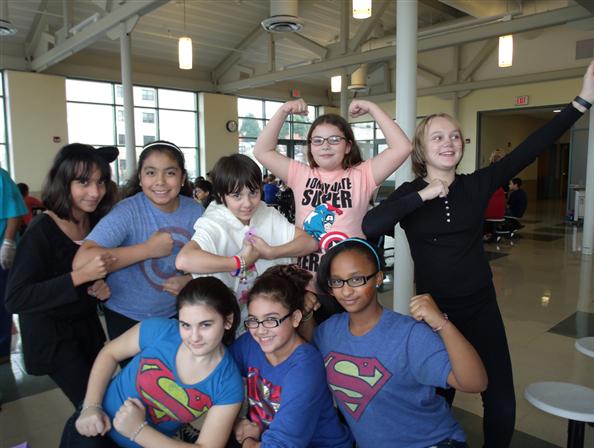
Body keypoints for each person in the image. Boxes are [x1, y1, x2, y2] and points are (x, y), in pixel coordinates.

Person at [362, 60, 594, 448]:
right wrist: (424, 194)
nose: (449, 142)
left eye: (455, 136)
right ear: (421, 148)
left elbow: (529, 149)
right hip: (432, 311)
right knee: (437, 396)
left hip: (480, 306)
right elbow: (371, 224)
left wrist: (582, 102)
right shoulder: (408, 195)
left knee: (500, 398)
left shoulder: (477, 185)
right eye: (438, 137)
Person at [314, 238, 487, 448]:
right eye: (337, 281)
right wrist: (304, 312)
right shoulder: (327, 332)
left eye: (357, 279)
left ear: (378, 278)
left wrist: (442, 323)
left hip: (431, 444)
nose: (346, 291)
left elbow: (475, 383)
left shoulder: (409, 335)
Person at [60, 277, 244, 448]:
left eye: (205, 325)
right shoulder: (160, 330)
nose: (194, 337)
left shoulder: (229, 383)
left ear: (227, 321)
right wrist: (91, 406)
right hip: (96, 428)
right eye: (186, 325)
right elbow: (110, 353)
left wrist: (138, 431)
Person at [5, 144, 117, 407]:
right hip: (53, 340)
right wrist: (80, 276)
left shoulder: (95, 221)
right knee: (93, 407)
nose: (95, 192)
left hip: (86, 331)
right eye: (83, 182)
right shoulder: (42, 231)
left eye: (100, 182)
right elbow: (16, 298)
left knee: (100, 403)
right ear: (63, 182)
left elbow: (99, 270)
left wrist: (99, 285)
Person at [253, 99, 412, 278]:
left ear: (348, 146)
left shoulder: (363, 175)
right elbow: (262, 151)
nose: (325, 146)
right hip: (307, 280)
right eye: (317, 141)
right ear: (310, 147)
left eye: (335, 140)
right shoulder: (300, 174)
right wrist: (283, 110)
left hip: (349, 280)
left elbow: (402, 147)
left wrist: (371, 107)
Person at [73, 140, 204, 341]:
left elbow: (215, 257)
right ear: (140, 178)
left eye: (170, 173)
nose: (160, 181)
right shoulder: (127, 211)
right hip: (126, 317)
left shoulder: (195, 211)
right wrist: (147, 249)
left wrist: (191, 279)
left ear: (182, 178)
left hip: (177, 314)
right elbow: (82, 261)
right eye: (151, 173)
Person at [176, 154, 318, 334]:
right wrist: (240, 261)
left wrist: (271, 252)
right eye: (236, 195)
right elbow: (184, 260)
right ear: (221, 196)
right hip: (230, 323)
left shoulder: (265, 212)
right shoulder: (214, 221)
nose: (248, 203)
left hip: (271, 316)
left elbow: (309, 243)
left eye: (253, 192)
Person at [229, 265, 354, 448]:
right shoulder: (250, 343)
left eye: (271, 320)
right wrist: (235, 421)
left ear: (295, 318)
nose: (261, 330)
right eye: (254, 320)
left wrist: (247, 439)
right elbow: (219, 374)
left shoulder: (305, 368)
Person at [0, 168, 27, 365]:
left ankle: (2, 351)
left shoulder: (1, 177)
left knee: (1, 302)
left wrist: (8, 243)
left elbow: (14, 213)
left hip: (1, 251)